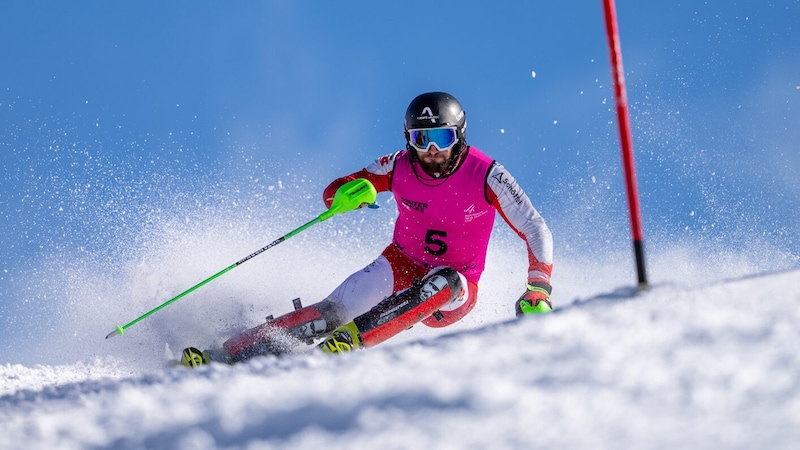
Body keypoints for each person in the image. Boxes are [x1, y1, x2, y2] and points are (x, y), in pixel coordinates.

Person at [181, 91, 554, 367]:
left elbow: (534, 226)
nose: (431, 151)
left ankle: (348, 342)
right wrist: (347, 194)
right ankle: (221, 355)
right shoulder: (398, 165)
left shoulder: (486, 174)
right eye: (420, 140)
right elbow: (335, 190)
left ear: (460, 136)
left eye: (441, 139)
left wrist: (538, 287)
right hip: (401, 264)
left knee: (446, 281)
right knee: (330, 310)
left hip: (454, 292)